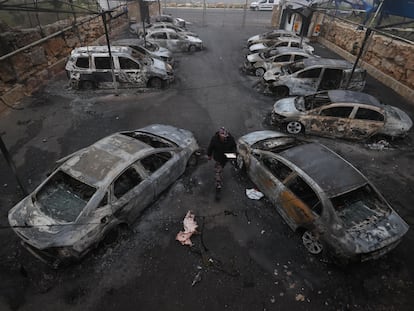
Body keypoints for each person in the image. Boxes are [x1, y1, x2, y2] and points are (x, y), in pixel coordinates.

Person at [207, 127, 236, 200]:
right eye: (223, 135)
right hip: (219, 158)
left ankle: (221, 171)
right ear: (219, 135)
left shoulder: (230, 139)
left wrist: (233, 155)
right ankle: (218, 188)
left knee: (223, 166)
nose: (224, 137)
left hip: (226, 157)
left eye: (225, 136)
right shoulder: (214, 139)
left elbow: (234, 147)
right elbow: (210, 147)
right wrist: (209, 155)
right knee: (218, 172)